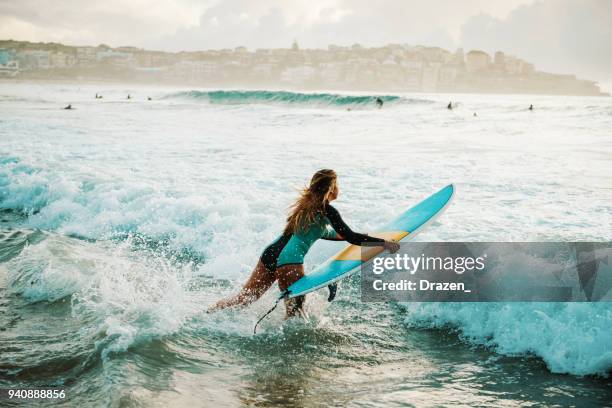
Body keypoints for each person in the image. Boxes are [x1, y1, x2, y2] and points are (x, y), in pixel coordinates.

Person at [210, 169, 400, 317]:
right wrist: (383, 243)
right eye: (338, 185)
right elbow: (350, 237)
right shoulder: (327, 210)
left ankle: (208, 314)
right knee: (295, 315)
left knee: (244, 299)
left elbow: (333, 234)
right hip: (289, 261)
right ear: (331, 189)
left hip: (271, 253)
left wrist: (368, 236)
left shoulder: (305, 208)